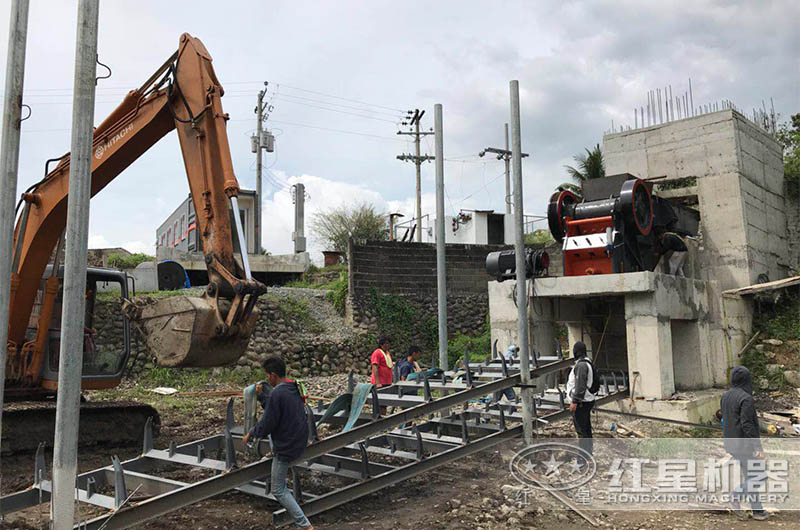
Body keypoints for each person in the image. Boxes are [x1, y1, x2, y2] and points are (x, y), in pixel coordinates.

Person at [242, 357, 313, 529]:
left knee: (278, 489)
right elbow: (275, 410)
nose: (267, 379)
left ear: (273, 375)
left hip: (288, 446)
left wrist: (251, 433)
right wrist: (262, 397)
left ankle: (305, 525)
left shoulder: (277, 393)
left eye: (267, 376)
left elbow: (268, 423)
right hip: (300, 437)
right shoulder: (292, 387)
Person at [721, 366, 769, 521]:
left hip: (732, 443)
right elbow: (747, 424)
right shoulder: (745, 398)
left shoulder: (726, 396)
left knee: (751, 476)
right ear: (746, 380)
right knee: (760, 476)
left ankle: (758, 510)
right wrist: (757, 448)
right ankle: (736, 496)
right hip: (745, 445)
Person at [566, 341, 598, 455]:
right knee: (586, 429)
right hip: (586, 401)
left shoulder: (581, 365)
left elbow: (580, 386)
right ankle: (588, 454)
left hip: (581, 403)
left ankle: (583, 458)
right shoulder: (587, 362)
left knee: (582, 431)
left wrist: (574, 401)